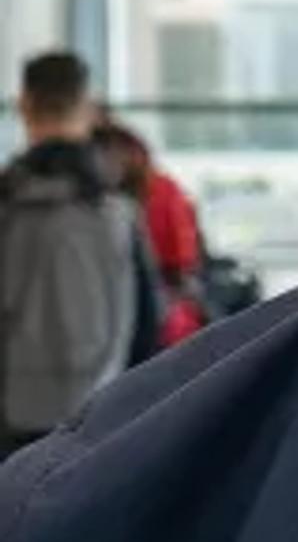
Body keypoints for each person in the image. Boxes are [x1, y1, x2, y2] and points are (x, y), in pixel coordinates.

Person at [0, 50, 160, 457]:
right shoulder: (119, 213)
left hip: (12, 420)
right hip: (99, 416)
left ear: (24, 105)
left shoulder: (9, 203)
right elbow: (147, 325)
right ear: (88, 108)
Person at [92, 116, 208, 346]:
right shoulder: (106, 204)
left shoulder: (160, 192)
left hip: (157, 310)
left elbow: (182, 261)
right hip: (151, 309)